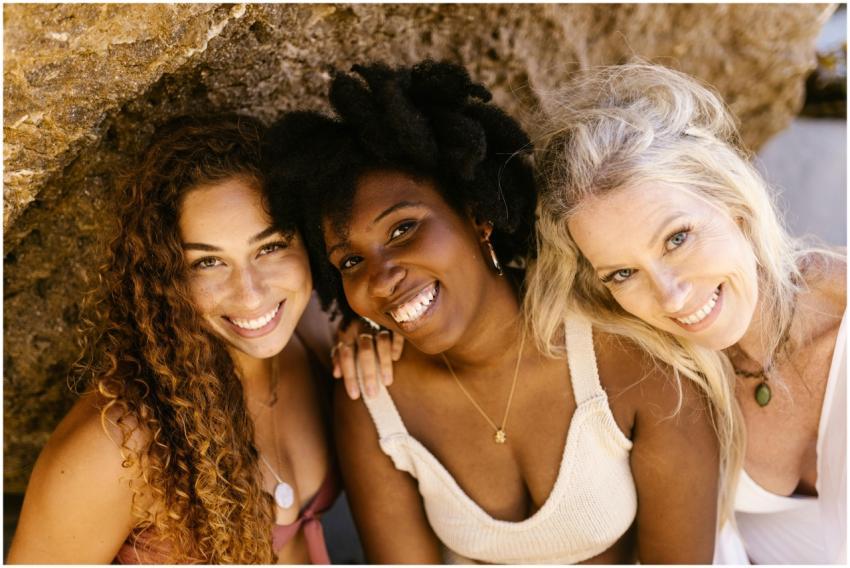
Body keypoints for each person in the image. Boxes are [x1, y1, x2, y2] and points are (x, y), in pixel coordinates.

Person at [263, 60, 734, 563]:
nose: (380, 278)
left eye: (403, 229)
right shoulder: (373, 399)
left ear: (477, 216)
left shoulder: (624, 354)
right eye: (351, 261)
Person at [7, 115, 396, 564]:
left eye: (270, 247)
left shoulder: (315, 339)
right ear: (164, 278)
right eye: (208, 263)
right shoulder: (117, 445)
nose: (250, 294)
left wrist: (372, 334)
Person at [528, 62, 846, 564]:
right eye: (623, 274)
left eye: (677, 238)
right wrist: (369, 331)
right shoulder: (659, 369)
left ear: (734, 204)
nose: (672, 298)